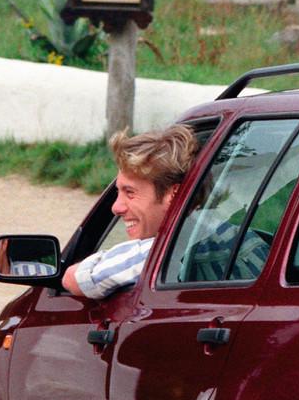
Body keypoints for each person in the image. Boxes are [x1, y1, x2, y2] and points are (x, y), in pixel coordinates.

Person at [62, 124, 198, 299]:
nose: (116, 207)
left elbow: (72, 280)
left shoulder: (148, 256)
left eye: (130, 192)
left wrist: (112, 257)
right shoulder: (219, 236)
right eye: (118, 193)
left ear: (174, 195)